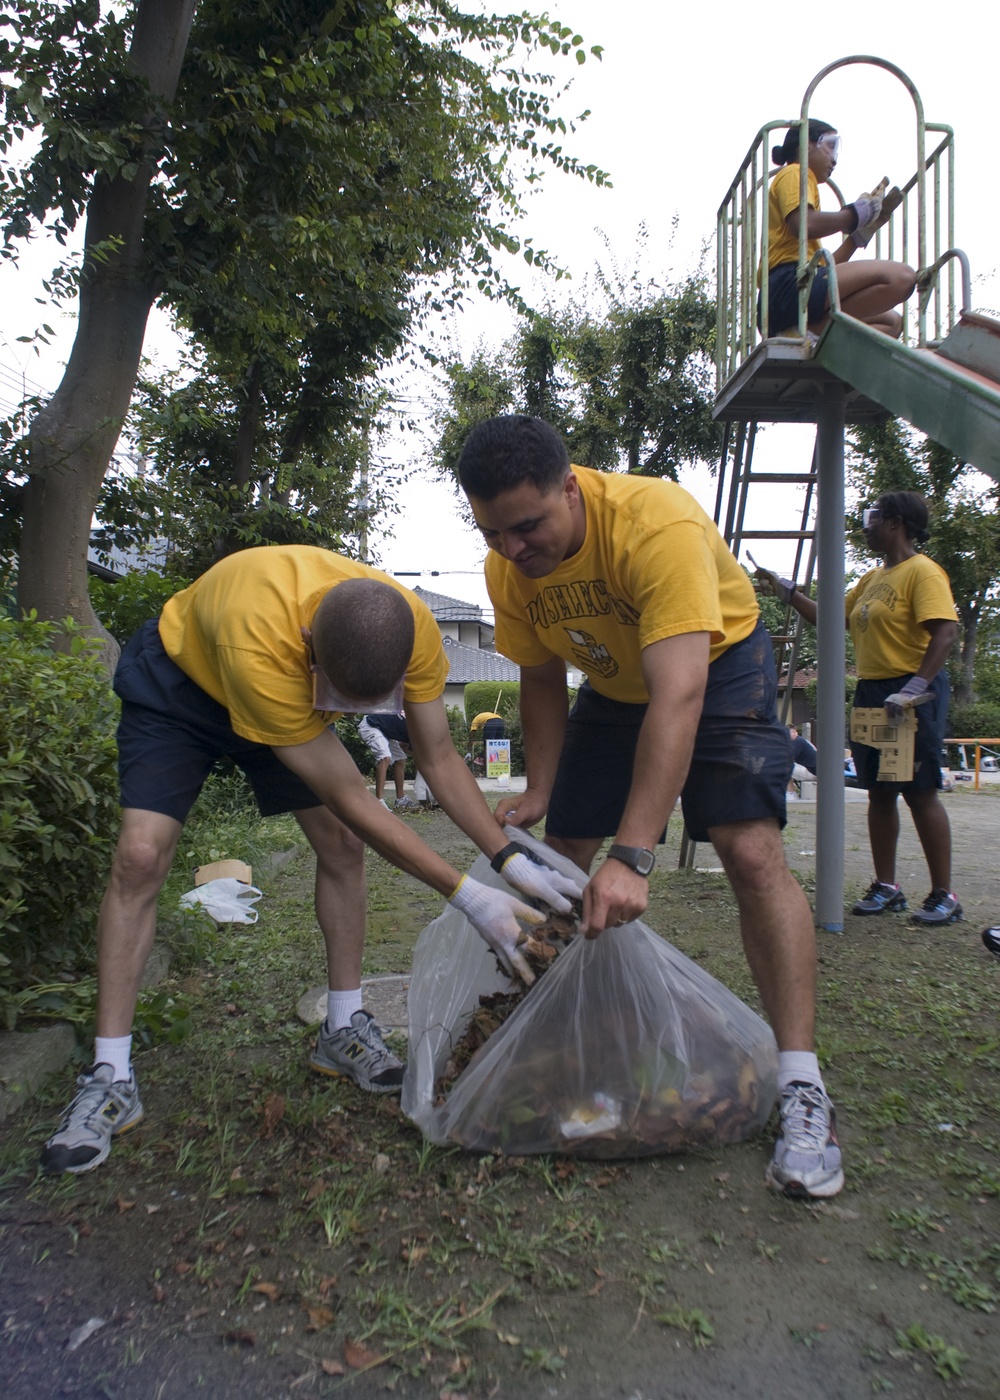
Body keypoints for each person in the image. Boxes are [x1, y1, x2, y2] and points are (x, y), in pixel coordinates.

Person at [40, 545, 579, 1176]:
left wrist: (506, 855)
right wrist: (467, 893)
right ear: (307, 643)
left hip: (285, 684)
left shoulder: (414, 633)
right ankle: (110, 1074)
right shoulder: (261, 643)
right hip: (184, 683)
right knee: (139, 856)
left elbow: (438, 756)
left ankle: (343, 1029)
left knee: (341, 846)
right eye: (341, 696)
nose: (351, 715)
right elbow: (351, 794)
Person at [455, 415, 844, 1201]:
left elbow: (682, 693)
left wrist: (634, 854)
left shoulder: (654, 523)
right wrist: (540, 786)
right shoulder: (510, 566)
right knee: (557, 857)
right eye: (493, 533)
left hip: (718, 662)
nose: (512, 550)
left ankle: (802, 1087)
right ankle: (548, 1041)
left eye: (527, 527)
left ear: (571, 486)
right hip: (617, 685)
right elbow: (537, 678)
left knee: (749, 851)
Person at [756, 491, 961, 924]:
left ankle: (945, 894)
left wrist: (917, 686)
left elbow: (944, 632)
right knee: (880, 791)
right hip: (874, 692)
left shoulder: (922, 572)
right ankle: (887, 887)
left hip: (911, 692)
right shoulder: (871, 579)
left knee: (919, 791)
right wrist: (785, 588)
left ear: (897, 522)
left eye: (874, 518)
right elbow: (832, 618)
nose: (866, 526)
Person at [761, 120, 914, 340]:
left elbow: (827, 267)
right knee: (902, 277)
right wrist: (855, 215)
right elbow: (803, 225)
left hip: (800, 288)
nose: (834, 159)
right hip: (788, 287)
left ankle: (805, 331)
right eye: (830, 146)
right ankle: (801, 328)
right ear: (806, 144)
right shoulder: (794, 172)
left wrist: (861, 233)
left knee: (891, 322)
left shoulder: (807, 185)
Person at [358, 711, 413, 810]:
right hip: (370, 726)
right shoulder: (415, 730)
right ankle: (379, 802)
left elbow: (404, 746)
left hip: (385, 731)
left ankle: (400, 800)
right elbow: (406, 747)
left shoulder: (415, 727)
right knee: (384, 757)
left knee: (401, 758)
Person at [787, 724, 817, 796]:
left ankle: (791, 793)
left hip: (812, 773)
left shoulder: (798, 742)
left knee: (783, 766)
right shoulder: (802, 741)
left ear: (795, 733)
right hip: (814, 771)